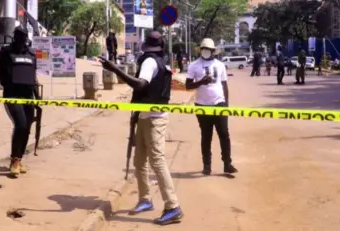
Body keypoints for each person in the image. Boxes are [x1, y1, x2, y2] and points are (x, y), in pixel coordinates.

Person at [98, 31, 183, 226]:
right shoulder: (162, 61)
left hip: (154, 119)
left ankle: (173, 206)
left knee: (157, 161)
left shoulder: (150, 62)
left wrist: (115, 69)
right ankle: (145, 199)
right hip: (147, 116)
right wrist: (136, 115)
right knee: (139, 161)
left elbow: (140, 85)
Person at [0, 26, 39, 177]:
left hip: (28, 95)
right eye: (18, 36)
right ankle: (14, 160)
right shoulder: (5, 53)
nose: (21, 39)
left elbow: (33, 77)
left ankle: (20, 158)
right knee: (21, 124)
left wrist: (38, 98)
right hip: (12, 94)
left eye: (24, 36)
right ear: (14, 36)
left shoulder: (31, 54)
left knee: (27, 127)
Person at [185, 38, 238, 176]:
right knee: (206, 135)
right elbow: (188, 86)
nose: (206, 51)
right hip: (202, 105)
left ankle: (227, 163)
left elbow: (224, 85)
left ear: (213, 51)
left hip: (219, 103)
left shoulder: (220, 65)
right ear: (200, 50)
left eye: (209, 49)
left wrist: (226, 104)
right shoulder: (194, 65)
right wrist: (201, 82)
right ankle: (206, 165)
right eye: (204, 49)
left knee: (224, 134)